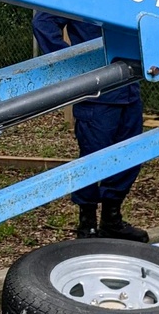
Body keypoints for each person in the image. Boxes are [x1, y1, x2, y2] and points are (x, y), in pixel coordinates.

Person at [32, 12, 149, 242]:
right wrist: (71, 66)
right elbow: (42, 23)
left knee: (131, 156)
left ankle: (111, 220)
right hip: (97, 97)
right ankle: (87, 225)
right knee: (92, 160)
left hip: (129, 89)